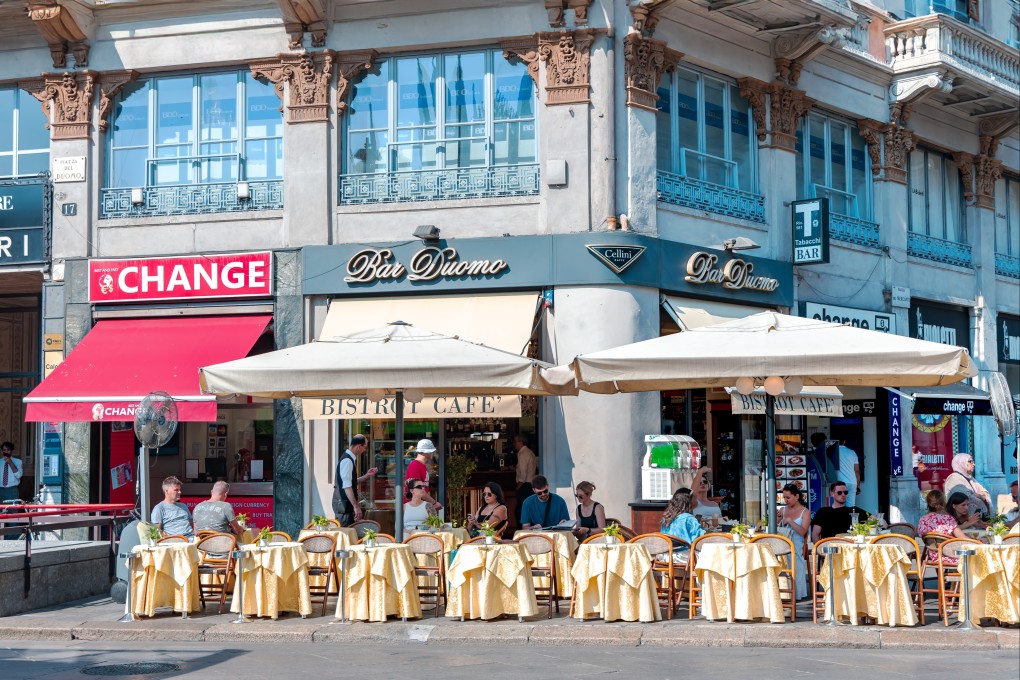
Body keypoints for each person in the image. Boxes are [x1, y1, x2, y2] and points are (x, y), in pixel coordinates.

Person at [811, 481, 883, 541]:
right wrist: (820, 550)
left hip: (850, 548)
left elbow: (875, 519)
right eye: (839, 492)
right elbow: (815, 534)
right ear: (832, 494)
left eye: (845, 492)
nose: (843, 495)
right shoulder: (823, 512)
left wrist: (882, 524)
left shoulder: (854, 511)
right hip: (830, 548)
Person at [332, 434, 378, 527]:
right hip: (344, 507)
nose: (365, 450)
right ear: (358, 447)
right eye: (365, 447)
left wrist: (366, 476)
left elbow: (350, 482)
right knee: (346, 535)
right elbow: (347, 487)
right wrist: (356, 507)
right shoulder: (347, 461)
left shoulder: (348, 459)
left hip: (344, 506)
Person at [778, 483, 810, 600]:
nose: (785, 500)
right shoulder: (782, 510)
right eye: (784, 498)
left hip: (796, 545)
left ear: (796, 496)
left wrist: (790, 521)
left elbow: (803, 532)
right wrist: (778, 519)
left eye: (788, 497)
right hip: (781, 544)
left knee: (795, 558)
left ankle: (795, 593)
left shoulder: (805, 512)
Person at [660, 487, 705, 563]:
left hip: (665, 556)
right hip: (683, 556)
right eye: (694, 498)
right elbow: (701, 540)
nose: (696, 500)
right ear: (688, 501)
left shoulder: (666, 519)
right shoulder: (689, 519)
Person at [943, 453, 992, 518]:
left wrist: (979, 495)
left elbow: (985, 493)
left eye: (973, 461)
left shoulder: (970, 478)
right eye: (970, 461)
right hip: (961, 521)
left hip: (977, 519)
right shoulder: (954, 478)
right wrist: (979, 496)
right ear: (961, 463)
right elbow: (965, 499)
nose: (973, 464)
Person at [406, 439, 443, 514]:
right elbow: (417, 490)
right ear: (427, 452)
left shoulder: (420, 465)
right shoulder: (415, 465)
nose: (433, 452)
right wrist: (434, 503)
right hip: (414, 508)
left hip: (418, 506)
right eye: (431, 450)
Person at [513, 435, 537, 525]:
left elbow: (523, 474)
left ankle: (521, 530)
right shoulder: (529, 452)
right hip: (529, 485)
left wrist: (518, 487)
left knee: (520, 511)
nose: (514, 444)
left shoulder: (523, 454)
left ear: (521, 442)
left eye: (515, 441)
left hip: (525, 485)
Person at [834, 441, 861, 506]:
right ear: (844, 441)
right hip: (852, 482)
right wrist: (857, 486)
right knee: (851, 507)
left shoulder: (833, 451)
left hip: (839, 483)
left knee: (839, 506)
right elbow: (857, 471)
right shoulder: (852, 452)